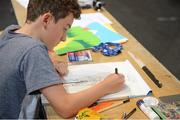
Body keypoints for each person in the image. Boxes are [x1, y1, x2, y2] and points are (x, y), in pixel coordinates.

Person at [0, 0, 125, 119]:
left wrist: (50, 62)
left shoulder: (10, 31)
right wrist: (106, 86)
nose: (64, 38)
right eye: (64, 29)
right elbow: (65, 108)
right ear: (47, 19)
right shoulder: (34, 51)